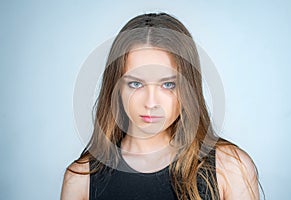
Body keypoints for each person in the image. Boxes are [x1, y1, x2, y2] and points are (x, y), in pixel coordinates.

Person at [61, 12, 264, 200]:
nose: (151, 103)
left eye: (168, 85)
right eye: (136, 84)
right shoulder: (80, 179)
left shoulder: (229, 167)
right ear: (116, 88)